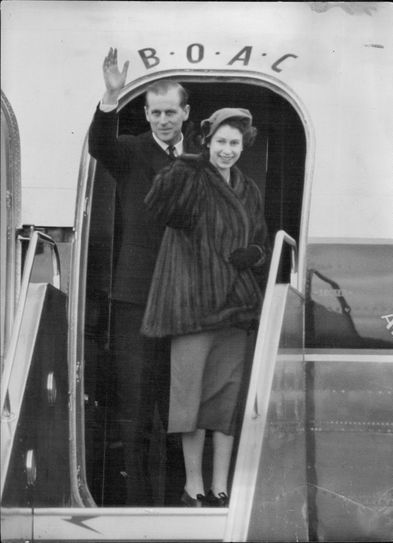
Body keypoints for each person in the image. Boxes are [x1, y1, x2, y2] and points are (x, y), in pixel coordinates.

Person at [141, 108, 270, 506]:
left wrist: (257, 254)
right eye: (220, 142)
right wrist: (185, 163)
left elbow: (262, 239)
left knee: (225, 403)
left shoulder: (249, 189)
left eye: (234, 143)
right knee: (190, 402)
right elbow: (158, 207)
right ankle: (193, 485)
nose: (227, 150)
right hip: (193, 307)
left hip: (235, 308)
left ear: (241, 146)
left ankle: (221, 487)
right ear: (207, 143)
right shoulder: (190, 177)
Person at [88, 47, 197, 505]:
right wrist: (111, 98)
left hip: (184, 303)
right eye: (155, 112)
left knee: (178, 410)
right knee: (134, 409)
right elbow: (100, 145)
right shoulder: (131, 150)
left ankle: (175, 506)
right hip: (134, 300)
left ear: (185, 114)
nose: (163, 120)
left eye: (170, 112)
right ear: (147, 115)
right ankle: (136, 508)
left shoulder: (203, 162)